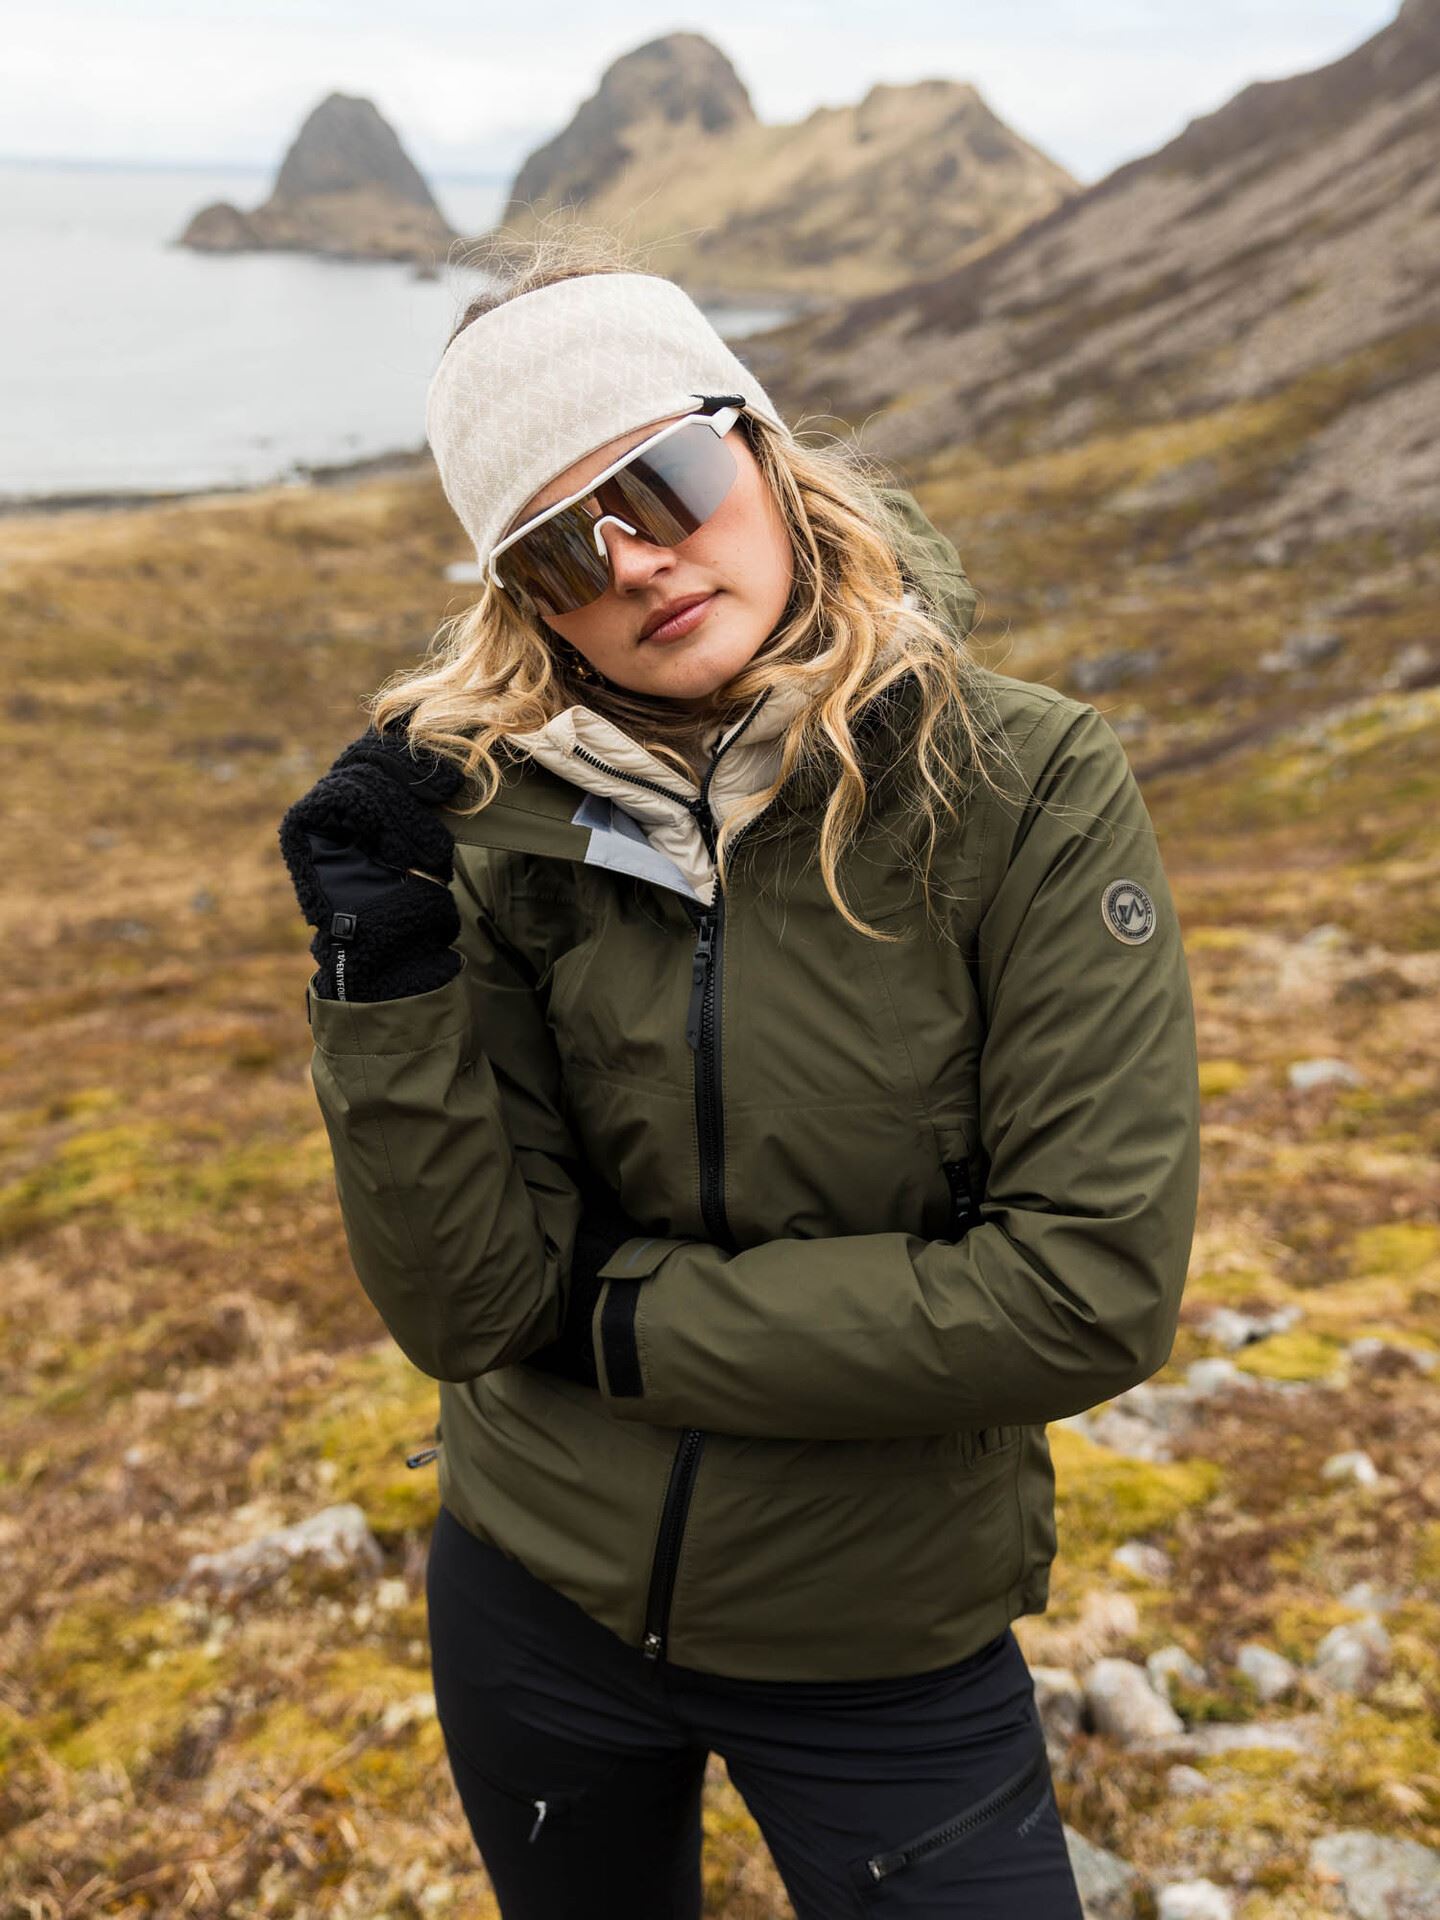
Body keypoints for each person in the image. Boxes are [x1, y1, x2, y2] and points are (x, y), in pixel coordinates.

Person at [277, 242, 1200, 1920]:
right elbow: (470, 1310)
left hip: (882, 1642)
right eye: (559, 546)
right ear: (522, 600)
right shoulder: (489, 827)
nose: (636, 559)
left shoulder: (1031, 789)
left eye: (665, 481)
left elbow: (1085, 1292)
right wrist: (378, 976)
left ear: (760, 448)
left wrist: (622, 1324)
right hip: (531, 1598)